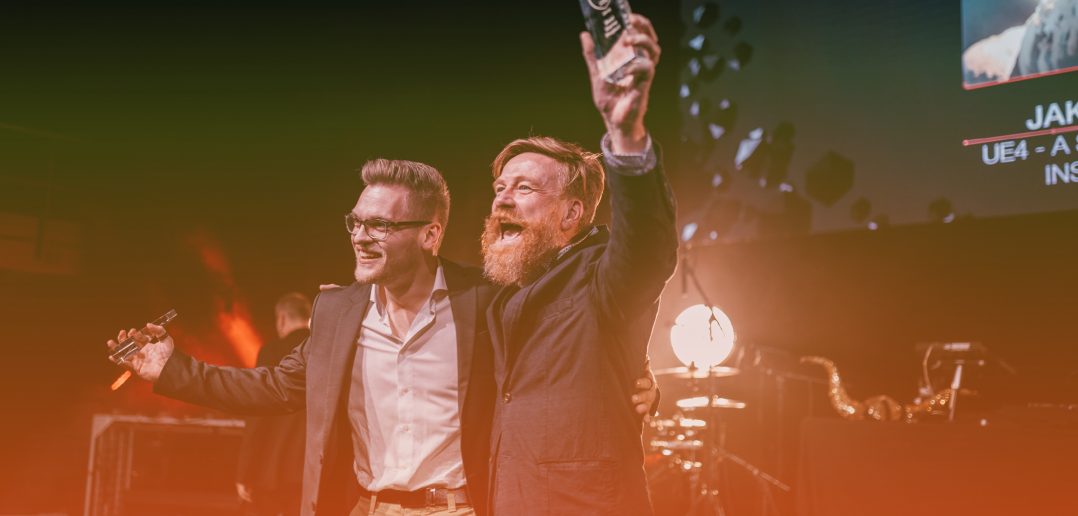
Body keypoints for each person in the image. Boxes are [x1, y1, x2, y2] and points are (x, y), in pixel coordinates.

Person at [108, 159, 657, 516]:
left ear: (430, 234)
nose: (361, 238)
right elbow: (274, 388)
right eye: (356, 222)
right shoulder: (337, 312)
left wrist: (642, 376)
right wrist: (172, 368)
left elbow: (573, 348)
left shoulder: (485, 300)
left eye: (381, 226)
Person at [480, 14, 676, 515]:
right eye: (500, 188)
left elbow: (647, 247)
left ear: (571, 213)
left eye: (524, 188)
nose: (502, 200)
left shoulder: (601, 279)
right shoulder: (499, 292)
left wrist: (626, 135)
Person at [236, 292, 311, 516]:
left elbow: (258, 412)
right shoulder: (325, 349)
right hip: (314, 470)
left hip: (274, 468)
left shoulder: (272, 352)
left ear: (281, 319)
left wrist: (245, 470)